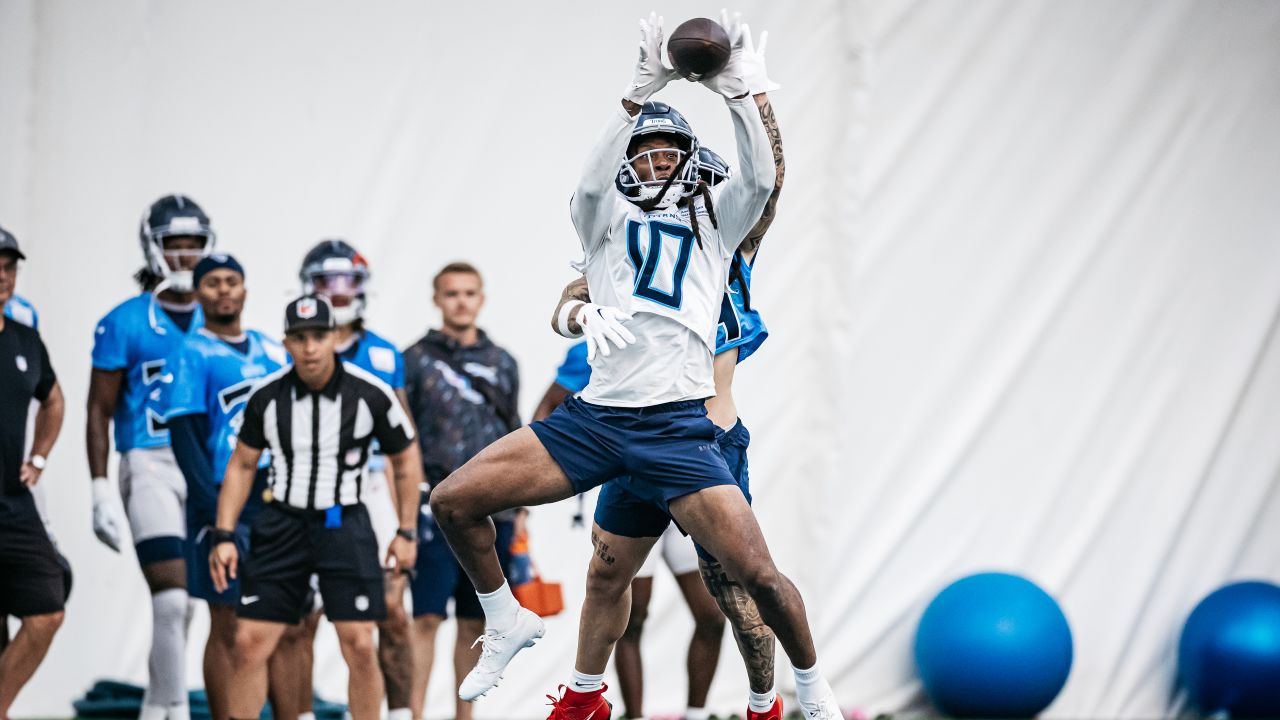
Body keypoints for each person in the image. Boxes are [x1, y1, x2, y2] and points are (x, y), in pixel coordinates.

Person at [428, 11, 840, 719]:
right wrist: (632, 97)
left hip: (685, 430)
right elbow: (582, 215)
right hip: (597, 422)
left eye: (665, 149)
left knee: (754, 580)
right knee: (458, 504)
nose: (652, 161)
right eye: (641, 150)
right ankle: (513, 625)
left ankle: (801, 691)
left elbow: (764, 180)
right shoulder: (608, 224)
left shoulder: (719, 228)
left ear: (690, 160)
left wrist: (744, 96)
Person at [548, 138, 784, 719]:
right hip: (633, 444)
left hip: (706, 445)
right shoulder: (628, 283)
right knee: (617, 590)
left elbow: (768, 188)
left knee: (732, 595)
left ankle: (737, 706)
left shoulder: (728, 258)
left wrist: (751, 95)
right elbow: (564, 339)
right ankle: (622, 709)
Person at [209, 294, 423, 720]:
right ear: (286, 342)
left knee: (360, 642)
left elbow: (405, 458)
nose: (310, 348)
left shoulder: (370, 394)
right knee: (249, 640)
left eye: (319, 336)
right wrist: (224, 535)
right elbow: (242, 466)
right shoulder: (266, 398)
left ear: (335, 338)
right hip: (282, 523)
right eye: (299, 338)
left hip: (344, 522)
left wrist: (406, 531)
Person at [87, 194, 215, 720]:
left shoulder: (218, 316)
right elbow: (98, 408)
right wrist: (98, 485)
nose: (184, 258)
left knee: (187, 605)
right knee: (170, 599)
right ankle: (176, 708)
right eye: (174, 246)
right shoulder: (125, 321)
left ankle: (155, 704)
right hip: (150, 461)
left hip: (204, 469)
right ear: (152, 248)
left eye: (194, 246)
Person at [161, 254, 297, 720]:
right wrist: (215, 507)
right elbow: (184, 436)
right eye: (213, 282)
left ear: (244, 289)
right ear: (198, 292)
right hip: (219, 495)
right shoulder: (189, 353)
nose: (223, 290)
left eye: (231, 281)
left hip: (273, 499)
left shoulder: (270, 349)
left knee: (275, 618)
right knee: (227, 618)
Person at [289, 240, 416, 720]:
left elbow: (404, 441)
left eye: (348, 282)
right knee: (301, 617)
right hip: (306, 488)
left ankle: (399, 714)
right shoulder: (293, 349)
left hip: (370, 487)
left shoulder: (382, 354)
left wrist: (408, 517)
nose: (339, 293)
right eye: (327, 282)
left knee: (393, 612)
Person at [401, 262, 521, 720]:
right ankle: (410, 713)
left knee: (477, 622)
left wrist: (521, 510)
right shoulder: (413, 359)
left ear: (482, 297)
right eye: (451, 293)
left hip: (495, 509)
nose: (461, 301)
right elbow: (402, 437)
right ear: (436, 299)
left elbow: (514, 433)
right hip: (433, 508)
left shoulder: (503, 361)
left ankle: (463, 717)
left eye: (470, 292)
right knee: (426, 617)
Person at [0, 228, 67, 719]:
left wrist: (39, 457)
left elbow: (55, 399)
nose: (3, 276)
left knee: (47, 608)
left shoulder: (25, 339)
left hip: (12, 501)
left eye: (9, 266)